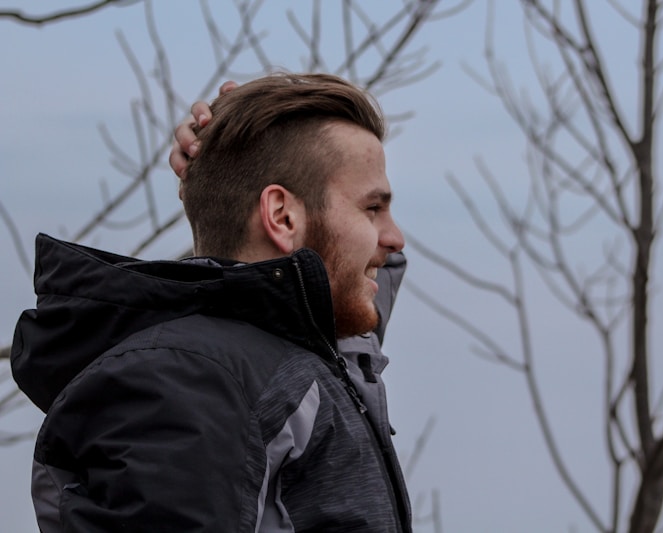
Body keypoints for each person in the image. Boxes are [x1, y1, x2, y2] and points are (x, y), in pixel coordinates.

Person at [11, 72, 412, 532]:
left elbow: (336, 290)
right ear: (282, 216)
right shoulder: (192, 383)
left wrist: (230, 162)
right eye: (372, 208)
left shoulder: (299, 355)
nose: (395, 238)